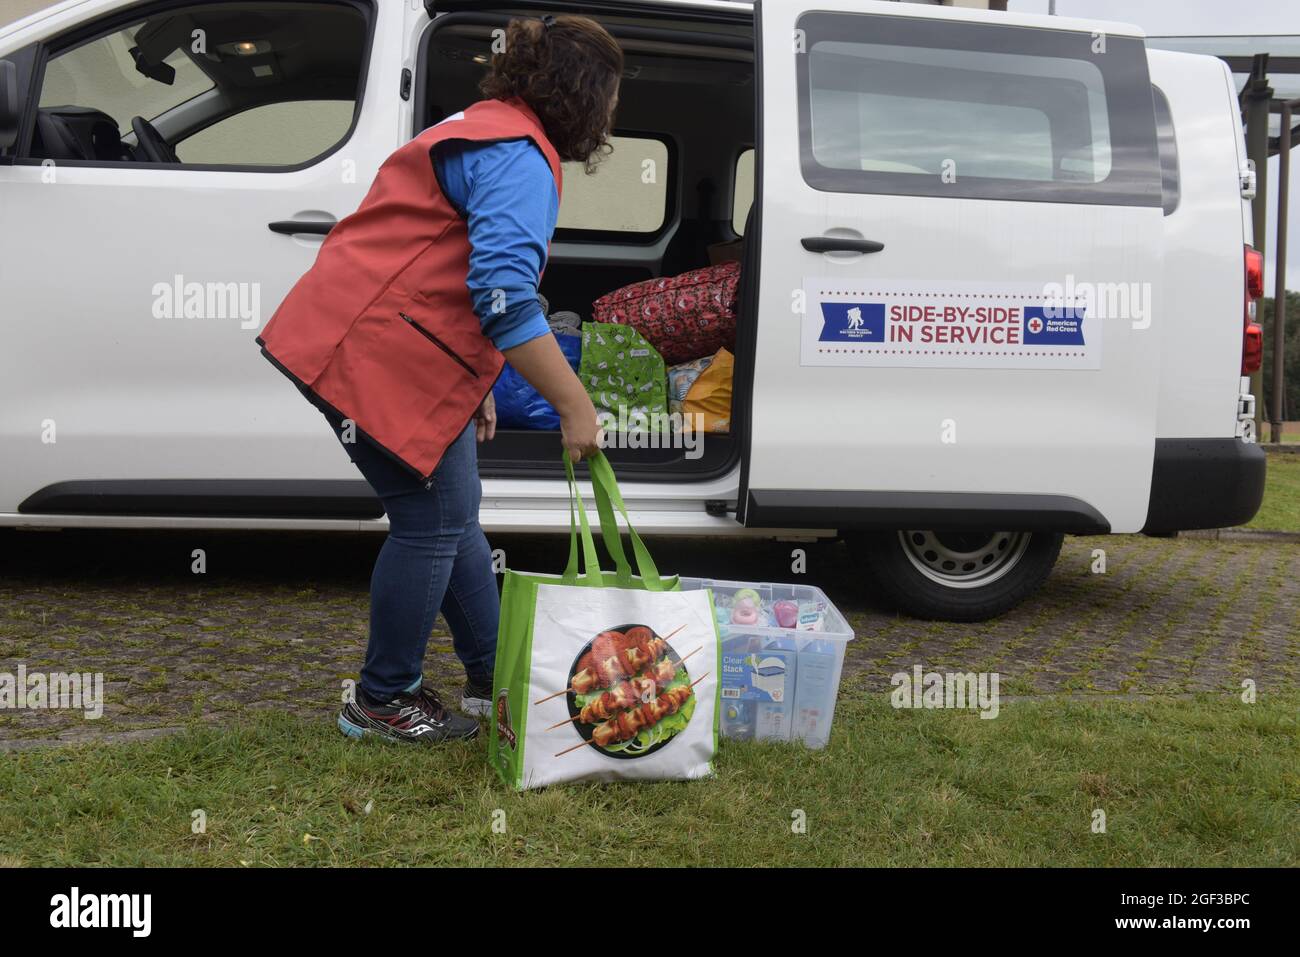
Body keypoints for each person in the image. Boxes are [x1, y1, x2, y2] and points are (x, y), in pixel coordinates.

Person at [256, 15, 622, 744]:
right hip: (372, 350)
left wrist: (478, 379)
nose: (612, 118)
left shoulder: (488, 126)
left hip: (360, 334)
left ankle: (493, 677)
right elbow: (505, 296)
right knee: (430, 519)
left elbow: (444, 264)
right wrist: (574, 403)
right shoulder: (520, 155)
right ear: (581, 94)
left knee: (451, 508)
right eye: (610, 99)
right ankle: (382, 698)